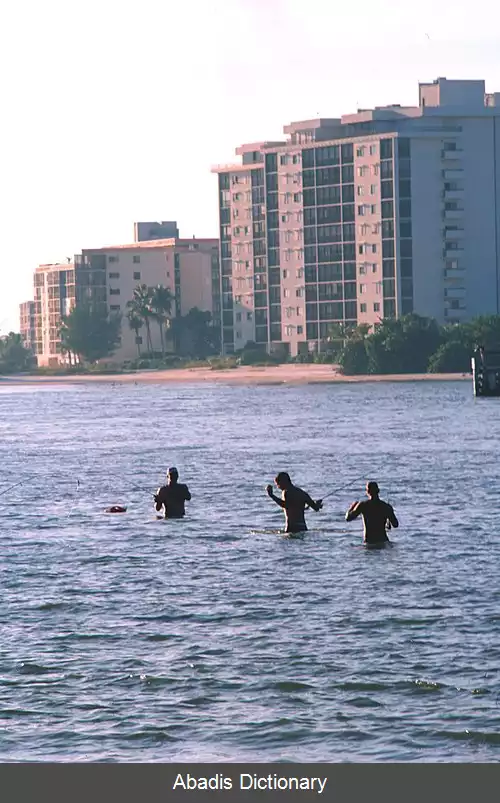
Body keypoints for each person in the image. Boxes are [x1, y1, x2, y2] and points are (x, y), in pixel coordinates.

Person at [345, 481, 398, 546]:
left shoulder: (363, 505)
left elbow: (348, 518)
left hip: (369, 541)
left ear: (367, 492)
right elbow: (395, 524)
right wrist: (389, 515)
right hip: (383, 540)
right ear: (378, 491)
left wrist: (351, 507)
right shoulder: (386, 506)